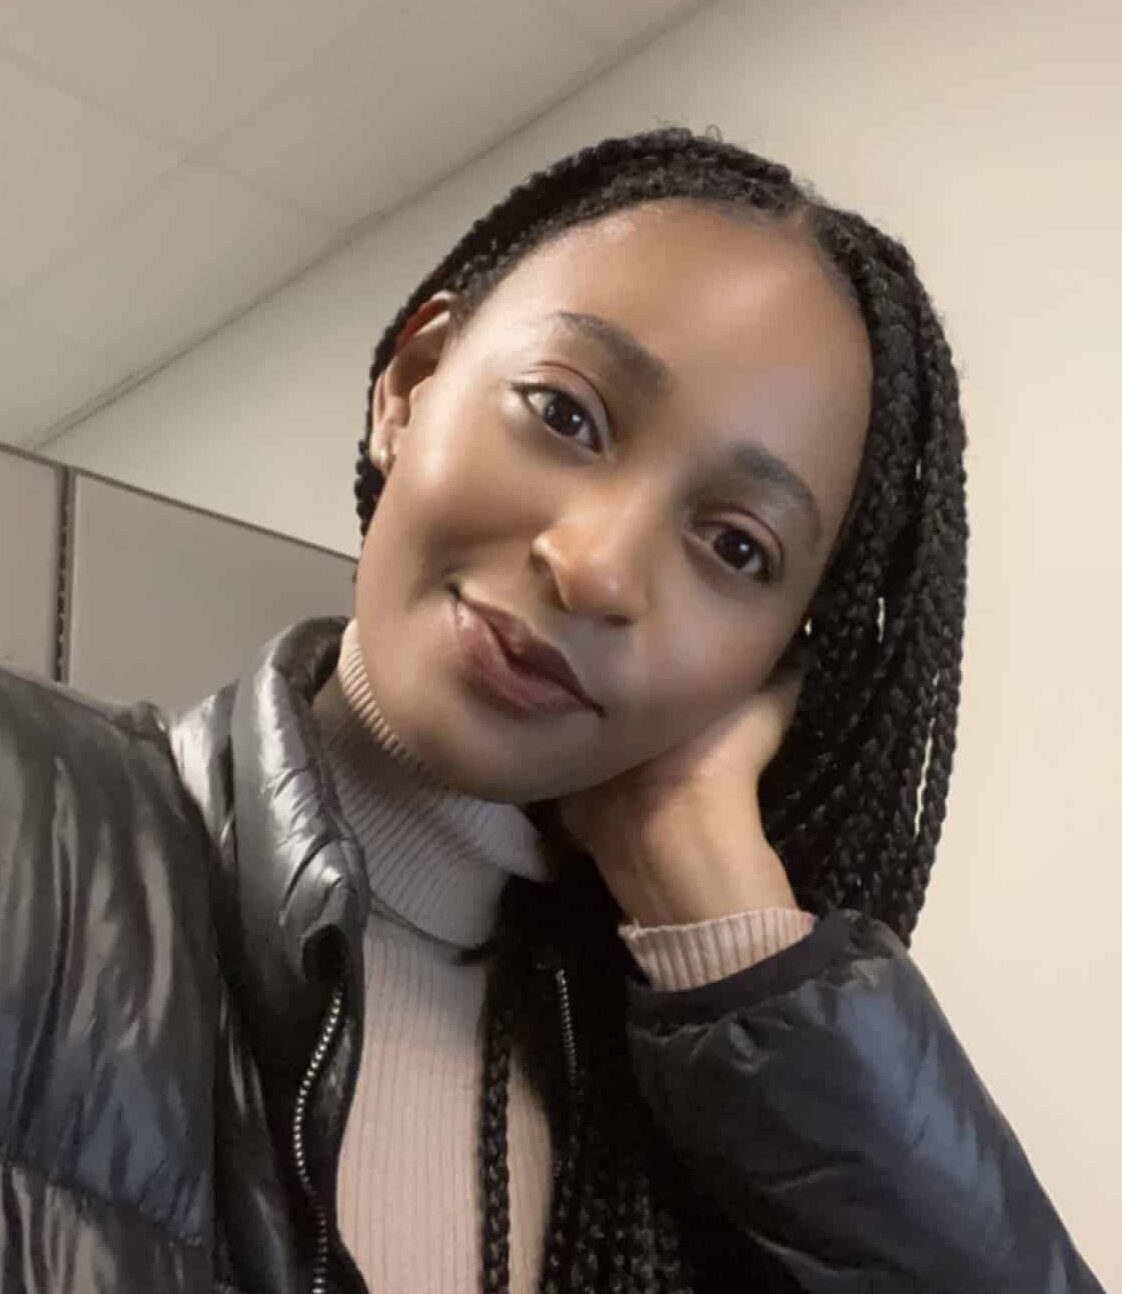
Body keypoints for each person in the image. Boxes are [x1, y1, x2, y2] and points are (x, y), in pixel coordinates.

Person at [0, 126, 1105, 1294]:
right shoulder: (36, 824)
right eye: (566, 414)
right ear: (414, 384)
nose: (596, 568)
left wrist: (729, 927)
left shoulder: (695, 1111)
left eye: (735, 546)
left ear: (779, 664)